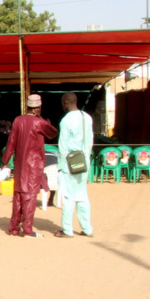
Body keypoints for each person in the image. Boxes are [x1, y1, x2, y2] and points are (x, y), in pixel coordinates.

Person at [0, 94, 58, 237]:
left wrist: (5, 160)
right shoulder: (39, 123)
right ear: (38, 107)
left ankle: (13, 228)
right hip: (34, 164)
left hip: (20, 164)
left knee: (18, 195)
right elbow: (53, 133)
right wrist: (42, 119)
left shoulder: (18, 120)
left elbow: (11, 142)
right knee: (30, 196)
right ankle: (27, 229)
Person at [55, 92, 93, 237]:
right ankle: (87, 229)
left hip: (70, 162)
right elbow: (90, 140)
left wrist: (61, 166)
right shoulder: (86, 117)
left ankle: (67, 230)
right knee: (82, 196)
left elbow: (63, 146)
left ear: (65, 102)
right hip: (84, 160)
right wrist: (86, 157)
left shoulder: (66, 120)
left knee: (69, 197)